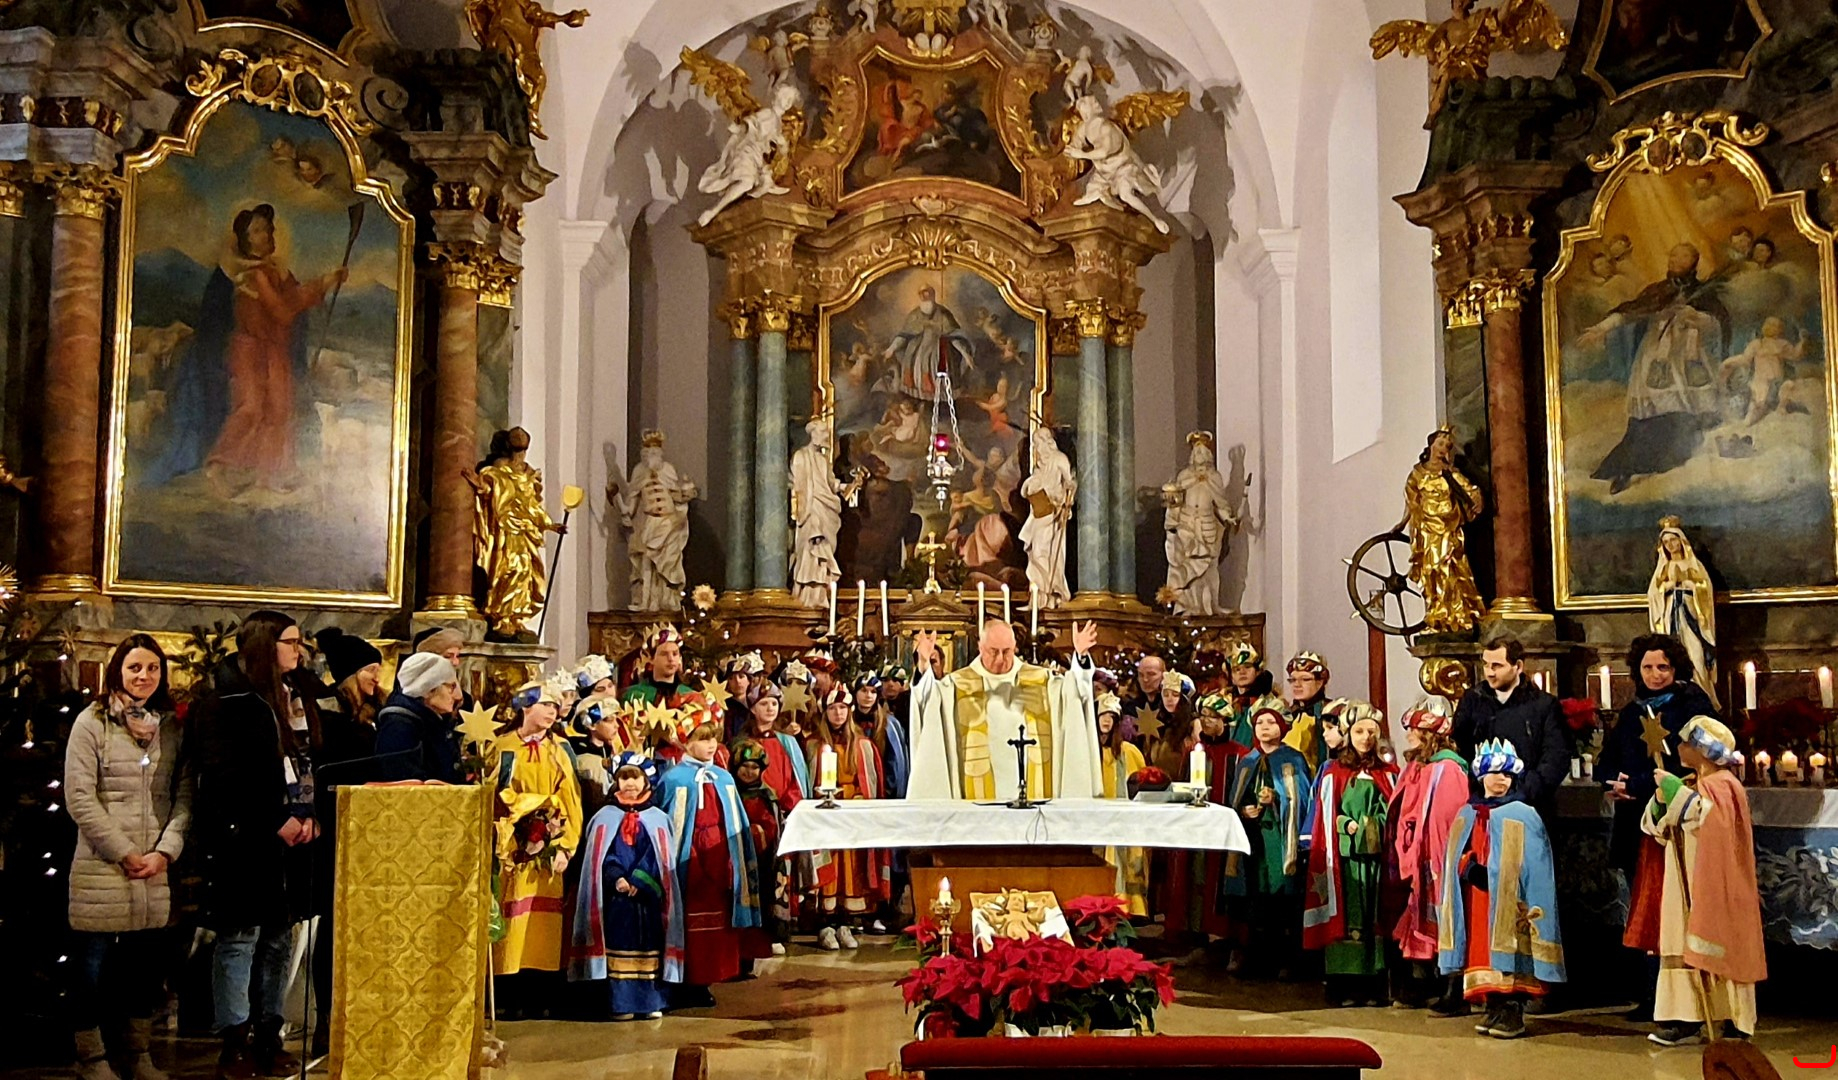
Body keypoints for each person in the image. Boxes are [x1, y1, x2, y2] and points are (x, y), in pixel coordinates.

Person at [194, 611, 317, 1079]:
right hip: (244, 840)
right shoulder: (226, 701)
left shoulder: (295, 694)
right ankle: (235, 1040)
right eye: (291, 642)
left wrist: (310, 815)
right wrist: (274, 820)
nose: (299, 651)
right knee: (240, 938)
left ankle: (269, 1033)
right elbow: (225, 778)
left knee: (279, 940)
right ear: (266, 645)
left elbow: (306, 762)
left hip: (292, 837)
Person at [64, 635, 191, 1080]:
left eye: (153, 668)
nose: (144, 676)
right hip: (102, 866)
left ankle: (138, 1054)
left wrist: (165, 852)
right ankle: (92, 1058)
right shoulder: (92, 722)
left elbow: (183, 795)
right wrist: (123, 852)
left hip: (153, 870)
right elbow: (80, 797)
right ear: (118, 669)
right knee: (91, 970)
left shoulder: (170, 727)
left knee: (145, 971)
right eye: (135, 667)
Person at [1594, 632, 1717, 1020]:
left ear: (1676, 667)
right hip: (1638, 825)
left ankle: (1685, 1002)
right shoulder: (1633, 711)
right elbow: (1607, 761)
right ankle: (1651, 997)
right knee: (1646, 911)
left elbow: (1695, 766)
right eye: (1647, 667)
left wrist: (1638, 784)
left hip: (1679, 824)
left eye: (1663, 666)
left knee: (1677, 912)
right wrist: (1612, 781)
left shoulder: (1694, 707)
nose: (1655, 674)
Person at [1642, 716, 1766, 1045]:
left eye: (1686, 742)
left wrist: (1675, 793)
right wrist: (1661, 801)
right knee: (1679, 938)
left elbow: (1710, 819)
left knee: (1719, 937)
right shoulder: (1690, 781)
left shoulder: (1725, 784)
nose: (1680, 747)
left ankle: (1733, 1018)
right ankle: (1686, 1016)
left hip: (1715, 877)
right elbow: (1658, 827)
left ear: (1703, 749)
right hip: (1681, 871)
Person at [1437, 739, 1566, 1039]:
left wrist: (1494, 874)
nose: (1501, 780)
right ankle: (1494, 1006)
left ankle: (1511, 1009)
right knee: (1481, 953)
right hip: (1477, 902)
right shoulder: (1467, 813)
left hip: (1510, 900)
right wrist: (1466, 866)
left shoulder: (1523, 813)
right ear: (1481, 776)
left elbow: (1535, 863)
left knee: (1510, 953)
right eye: (1495, 773)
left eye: (1507, 775)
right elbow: (1454, 854)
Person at [1575, 242, 1727, 494]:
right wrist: (1601, 328)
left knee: (1686, 410)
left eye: (1683, 256)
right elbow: (1631, 311)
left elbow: (1718, 324)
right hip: (1657, 355)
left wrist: (1696, 317)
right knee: (1650, 410)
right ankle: (1628, 467)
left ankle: (1674, 463)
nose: (1675, 259)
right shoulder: (1657, 291)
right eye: (1673, 255)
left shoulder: (1704, 294)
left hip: (1689, 357)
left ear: (1693, 262)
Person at [908, 618, 1102, 800]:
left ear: (1015, 646)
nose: (1000, 659)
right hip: (975, 807)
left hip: (1035, 799)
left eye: (1007, 651)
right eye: (993, 651)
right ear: (980, 647)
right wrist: (924, 666)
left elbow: (1076, 691)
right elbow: (927, 701)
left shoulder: (1043, 682)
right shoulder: (956, 685)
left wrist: (1081, 658)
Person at [305, 626, 383, 1059]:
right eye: (370, 669)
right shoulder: (328, 717)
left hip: (366, 833)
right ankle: (327, 1018)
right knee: (334, 928)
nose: (377, 677)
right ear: (351, 674)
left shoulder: (370, 714)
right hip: (335, 831)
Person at [491, 678, 585, 1017]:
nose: (552, 711)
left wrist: (566, 846)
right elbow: (495, 792)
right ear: (525, 706)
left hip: (550, 843)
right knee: (512, 920)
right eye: (546, 704)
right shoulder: (503, 746)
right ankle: (508, 994)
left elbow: (571, 799)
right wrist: (527, 810)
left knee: (543, 923)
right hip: (512, 844)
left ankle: (540, 993)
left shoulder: (560, 749)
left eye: (556, 706)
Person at [656, 718, 762, 1006]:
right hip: (688, 858)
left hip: (719, 856)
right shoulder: (674, 778)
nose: (711, 745)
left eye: (714, 738)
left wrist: (733, 860)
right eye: (703, 739)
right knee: (686, 921)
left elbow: (735, 822)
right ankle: (682, 980)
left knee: (716, 923)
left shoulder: (723, 778)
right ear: (685, 742)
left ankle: (705, 981)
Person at [569, 752, 679, 1021]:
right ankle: (621, 1003)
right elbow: (602, 855)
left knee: (650, 946)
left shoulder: (658, 818)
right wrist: (617, 877)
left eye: (635, 777)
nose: (630, 783)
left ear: (646, 781)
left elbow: (660, 857)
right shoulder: (604, 817)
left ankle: (651, 1001)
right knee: (619, 944)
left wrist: (640, 880)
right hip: (617, 899)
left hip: (648, 897)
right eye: (624, 777)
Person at [1302, 704, 1397, 1007]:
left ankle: (1373, 986)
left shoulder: (1387, 774)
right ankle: (1343, 985)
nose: (1366, 737)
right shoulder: (1334, 772)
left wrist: (1375, 824)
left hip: (1376, 860)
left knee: (1373, 919)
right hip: (1346, 860)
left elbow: (1394, 812)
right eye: (1359, 731)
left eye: (1371, 731)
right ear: (1347, 734)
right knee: (1348, 917)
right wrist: (1346, 824)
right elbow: (1326, 816)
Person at [1388, 697, 1469, 1011]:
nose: (1409, 734)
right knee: (1419, 918)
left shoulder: (1448, 769)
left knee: (1445, 918)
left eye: (1414, 729)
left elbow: (1445, 819)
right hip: (1415, 855)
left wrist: (1434, 858)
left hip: (1436, 856)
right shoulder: (1417, 766)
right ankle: (1422, 984)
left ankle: (1453, 988)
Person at [1221, 701, 1312, 979]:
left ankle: (1286, 958)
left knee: (1281, 896)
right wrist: (1244, 810)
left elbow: (1301, 799)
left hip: (1280, 840)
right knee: (1254, 896)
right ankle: (1252, 955)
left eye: (1271, 722)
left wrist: (1277, 799)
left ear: (1282, 727)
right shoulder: (1248, 760)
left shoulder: (1293, 760)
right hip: (1253, 840)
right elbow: (1236, 797)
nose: (1264, 728)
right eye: (1260, 722)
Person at [805, 687, 891, 949]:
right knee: (828, 869)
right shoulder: (813, 745)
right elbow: (808, 782)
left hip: (852, 817)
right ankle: (825, 924)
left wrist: (860, 799)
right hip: (825, 817)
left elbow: (873, 785)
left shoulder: (863, 745)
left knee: (851, 870)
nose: (838, 714)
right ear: (825, 712)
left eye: (843, 708)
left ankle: (845, 923)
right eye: (833, 708)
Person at [1452, 638, 1568, 824]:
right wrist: (1481, 780)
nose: (1489, 672)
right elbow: (1460, 750)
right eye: (1486, 665)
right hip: (1480, 808)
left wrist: (1517, 787)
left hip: (1531, 810)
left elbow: (1556, 758)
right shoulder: (1471, 701)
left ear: (1518, 666)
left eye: (1497, 666)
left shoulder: (1544, 705)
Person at [1398, 427, 1486, 634]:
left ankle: (1456, 615)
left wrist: (1477, 499)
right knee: (1432, 571)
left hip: (1448, 528)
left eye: (1447, 446)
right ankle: (1437, 614)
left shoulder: (1450, 473)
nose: (1443, 448)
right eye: (1440, 444)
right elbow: (1412, 503)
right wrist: (1401, 524)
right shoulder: (1417, 474)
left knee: (1450, 569)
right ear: (1430, 445)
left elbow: (1470, 490)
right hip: (1428, 529)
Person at [1645, 518, 1718, 708]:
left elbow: (1706, 591)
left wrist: (1691, 586)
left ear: (1681, 541)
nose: (1670, 545)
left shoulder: (1694, 565)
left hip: (1692, 620)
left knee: (1696, 659)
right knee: (1672, 660)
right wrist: (1666, 587)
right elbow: (1653, 594)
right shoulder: (1663, 567)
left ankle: (1703, 700)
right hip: (1671, 621)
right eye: (1666, 542)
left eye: (1673, 540)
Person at [731, 741, 791, 958]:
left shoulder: (767, 795)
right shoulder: (730, 792)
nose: (749, 772)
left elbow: (772, 827)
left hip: (761, 861)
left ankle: (761, 944)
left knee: (762, 902)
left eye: (754, 767)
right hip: (735, 859)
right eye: (744, 766)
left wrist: (752, 834)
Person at [1094, 692, 1149, 915]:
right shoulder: (1088, 753)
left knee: (1127, 861)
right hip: (1095, 820)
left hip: (1124, 820)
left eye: (1111, 716)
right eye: (1102, 715)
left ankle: (1130, 907)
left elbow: (1142, 783)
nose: (1106, 721)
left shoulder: (1129, 751)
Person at [372, 653, 464, 783]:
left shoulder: (434, 722)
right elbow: (405, 785)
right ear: (429, 689)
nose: (457, 695)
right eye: (451, 686)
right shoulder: (399, 727)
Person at [850, 673, 910, 799]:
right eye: (864, 691)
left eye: (873, 692)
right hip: (855, 788)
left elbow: (896, 762)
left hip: (885, 790)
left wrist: (888, 790)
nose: (868, 696)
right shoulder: (848, 722)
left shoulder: (889, 724)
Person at [1283, 652, 1333, 772]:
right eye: (1293, 680)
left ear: (1320, 682)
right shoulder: (1287, 715)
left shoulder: (1331, 713)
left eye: (1305, 679)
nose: (1297, 685)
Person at [1221, 641, 1273, 747]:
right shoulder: (1225, 705)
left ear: (1257, 671)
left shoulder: (1269, 703)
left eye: (1248, 667)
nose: (1242, 672)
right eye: (1236, 669)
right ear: (1231, 676)